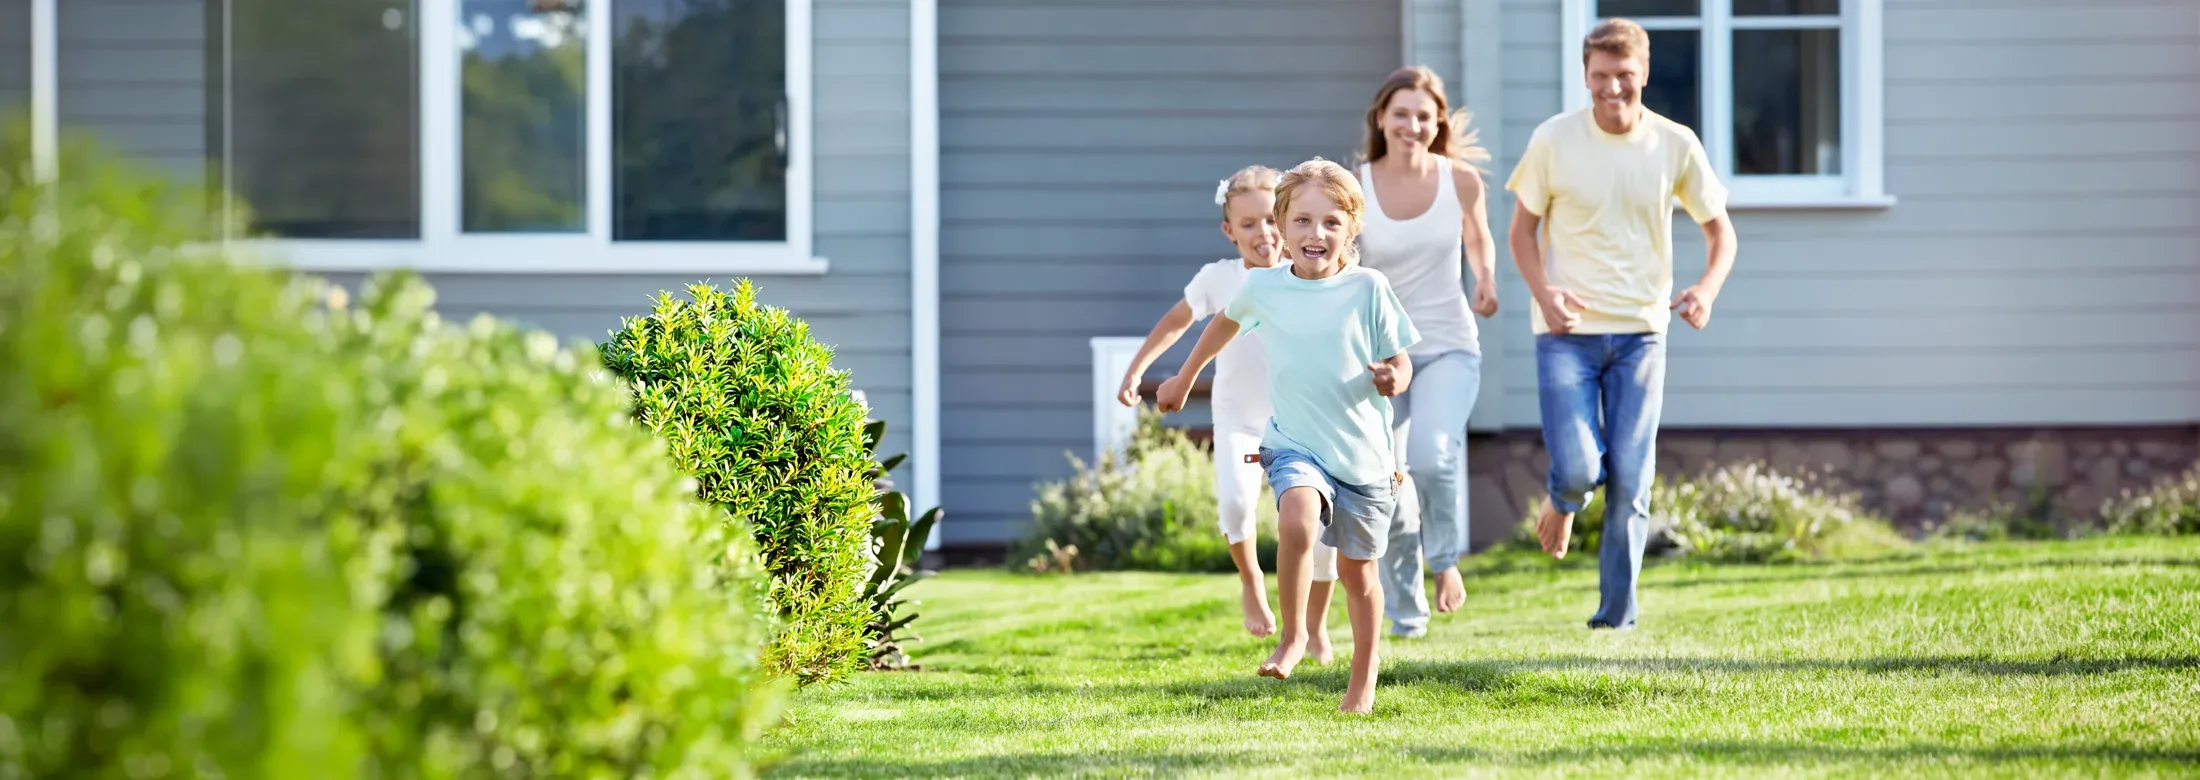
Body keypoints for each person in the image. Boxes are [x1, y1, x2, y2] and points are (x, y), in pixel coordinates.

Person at [1158, 158, 1420, 714]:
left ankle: (1362, 683)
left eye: (1329, 222)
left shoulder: (1368, 288)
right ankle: (1294, 634)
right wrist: (1185, 376)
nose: (1314, 234)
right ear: (1281, 224)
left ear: (1351, 229)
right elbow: (1223, 323)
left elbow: (1400, 358)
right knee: (1296, 518)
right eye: (1300, 221)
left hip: (1364, 457)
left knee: (1357, 573)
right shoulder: (1265, 287)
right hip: (1296, 443)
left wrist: (1394, 375)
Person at [1504, 18, 1738, 630]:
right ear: (1585, 74)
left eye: (1624, 75)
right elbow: (1521, 234)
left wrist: (1706, 290)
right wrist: (1544, 292)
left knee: (1633, 482)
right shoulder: (1554, 140)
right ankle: (1565, 499)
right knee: (1580, 468)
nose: (1612, 88)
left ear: (1645, 73)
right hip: (1565, 334)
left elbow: (1721, 233)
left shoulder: (1675, 143)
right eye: (1600, 76)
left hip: (1641, 333)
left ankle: (1616, 619)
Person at [1115, 165, 1341, 658]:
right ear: (1229, 230)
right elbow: (1177, 322)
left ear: (1285, 219)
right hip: (1240, 419)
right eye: (1248, 225)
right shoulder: (1219, 279)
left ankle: (1316, 627)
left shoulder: (1308, 275)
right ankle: (1251, 582)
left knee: (1322, 537)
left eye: (1269, 221)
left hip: (1302, 423)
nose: (1263, 234)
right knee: (1236, 505)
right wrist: (1138, 370)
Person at [1353, 65, 1501, 639]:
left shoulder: (1460, 180)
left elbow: (1478, 237)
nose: (1412, 125)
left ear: (1437, 121)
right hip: (1384, 359)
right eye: (1401, 113)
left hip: (1448, 348)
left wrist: (1485, 276)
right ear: (1381, 118)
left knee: (1432, 455)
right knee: (1385, 484)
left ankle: (1443, 562)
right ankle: (1407, 619)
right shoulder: (1356, 184)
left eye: (1423, 115)